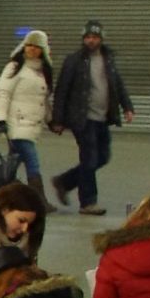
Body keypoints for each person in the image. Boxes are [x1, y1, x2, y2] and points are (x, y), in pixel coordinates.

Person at [49, 20, 131, 216]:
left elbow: (117, 84)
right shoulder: (73, 60)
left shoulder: (108, 59)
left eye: (94, 37)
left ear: (101, 39)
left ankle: (64, 181)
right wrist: (57, 120)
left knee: (102, 157)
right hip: (82, 118)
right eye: (87, 37)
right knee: (89, 159)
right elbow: (62, 90)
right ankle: (88, 202)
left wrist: (127, 107)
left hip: (102, 117)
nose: (91, 41)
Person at [0, 30, 54, 195]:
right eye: (29, 45)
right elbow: (3, 93)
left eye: (36, 46)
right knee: (32, 162)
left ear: (43, 50)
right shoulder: (14, 67)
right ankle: (39, 199)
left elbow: (43, 100)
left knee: (13, 164)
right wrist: (1, 119)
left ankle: (1, 192)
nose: (32, 49)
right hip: (16, 124)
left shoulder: (43, 71)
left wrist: (51, 120)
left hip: (32, 124)